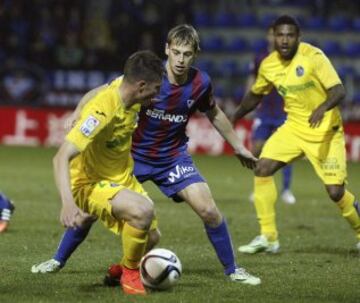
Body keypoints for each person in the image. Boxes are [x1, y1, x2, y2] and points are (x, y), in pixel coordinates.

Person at [31, 24, 261, 285]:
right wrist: (77, 112)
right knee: (87, 213)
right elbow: (101, 92)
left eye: (187, 54)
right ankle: (58, 260)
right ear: (167, 50)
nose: (181, 60)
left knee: (208, 210)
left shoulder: (200, 83)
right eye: (176, 52)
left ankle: (233, 270)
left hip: (172, 158)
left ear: (195, 54)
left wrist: (239, 146)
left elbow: (215, 113)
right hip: (134, 157)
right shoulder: (149, 77)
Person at [39, 50, 164, 296]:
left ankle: (117, 270)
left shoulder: (124, 86)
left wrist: (76, 110)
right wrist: (68, 203)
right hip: (90, 182)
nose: (158, 94)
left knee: (151, 238)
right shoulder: (102, 112)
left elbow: (95, 90)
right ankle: (130, 275)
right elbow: (60, 157)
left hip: (120, 176)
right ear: (141, 86)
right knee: (142, 211)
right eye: (156, 88)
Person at [232, 15, 360, 254]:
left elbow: (339, 90)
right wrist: (235, 116)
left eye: (290, 35)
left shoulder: (314, 57)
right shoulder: (269, 64)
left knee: (335, 192)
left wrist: (322, 108)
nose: (284, 40)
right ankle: (268, 237)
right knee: (262, 168)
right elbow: (256, 94)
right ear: (273, 36)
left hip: (325, 133)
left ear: (298, 38)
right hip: (293, 128)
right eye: (280, 35)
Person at [246, 27, 296, 205]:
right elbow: (251, 81)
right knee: (257, 149)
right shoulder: (260, 58)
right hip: (264, 112)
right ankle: (258, 188)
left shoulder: (289, 58)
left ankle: (286, 190)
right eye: (271, 34)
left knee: (286, 153)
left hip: (284, 111)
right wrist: (248, 104)